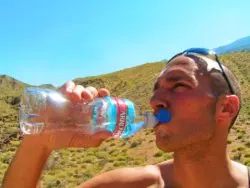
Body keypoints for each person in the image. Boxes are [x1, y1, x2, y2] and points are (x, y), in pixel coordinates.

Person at [3, 48, 250, 188]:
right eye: (156, 89)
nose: (155, 100)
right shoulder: (133, 185)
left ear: (225, 108)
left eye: (179, 85)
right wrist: (39, 143)